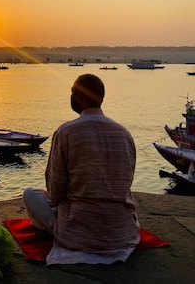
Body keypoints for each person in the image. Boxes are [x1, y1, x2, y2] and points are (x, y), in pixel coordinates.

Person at [23, 73, 140, 265]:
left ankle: (55, 230)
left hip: (79, 233)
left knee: (30, 194)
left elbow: (55, 192)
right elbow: (126, 182)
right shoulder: (124, 133)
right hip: (121, 232)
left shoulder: (66, 132)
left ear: (77, 96)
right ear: (101, 98)